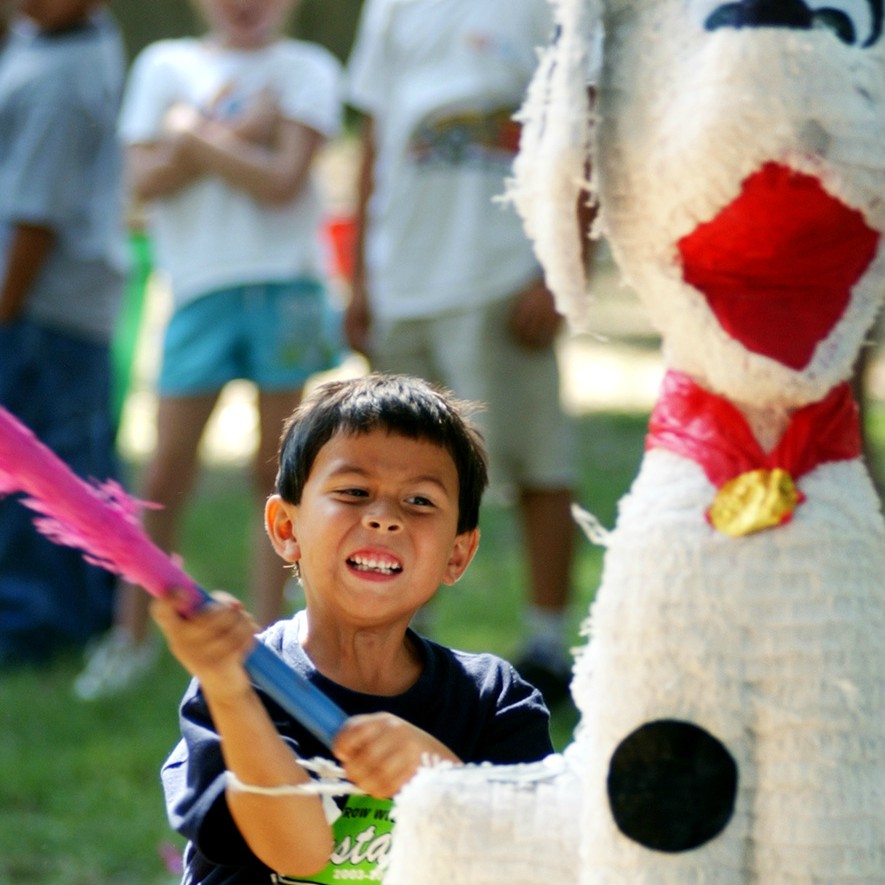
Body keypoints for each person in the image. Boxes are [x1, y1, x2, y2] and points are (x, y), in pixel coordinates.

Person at [153, 373, 554, 883]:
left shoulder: (495, 701)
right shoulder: (236, 683)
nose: (384, 518)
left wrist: (442, 778)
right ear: (285, 528)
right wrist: (231, 694)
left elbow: (533, 858)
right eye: (354, 491)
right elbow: (296, 852)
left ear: (458, 553)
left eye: (420, 501)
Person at [75, 0, 344, 699]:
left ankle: (272, 645)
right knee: (163, 474)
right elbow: (140, 180)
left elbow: (282, 182)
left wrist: (192, 135)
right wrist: (245, 131)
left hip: (285, 289)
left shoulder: (307, 69)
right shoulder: (165, 64)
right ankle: (130, 634)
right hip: (198, 291)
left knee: (277, 473)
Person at [345, 0, 582, 703]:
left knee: (534, 459)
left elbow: (579, 128)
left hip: (498, 278)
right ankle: (402, 641)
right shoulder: (389, 9)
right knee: (397, 476)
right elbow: (373, 138)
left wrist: (558, 269)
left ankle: (545, 642)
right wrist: (359, 276)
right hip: (404, 280)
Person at [0, 0, 127, 666]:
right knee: (79, 458)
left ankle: (34, 624)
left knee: (35, 473)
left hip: (42, 310)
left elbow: (35, 219)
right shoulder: (57, 37)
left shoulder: (61, 80)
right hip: (48, 310)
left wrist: (5, 306)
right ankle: (93, 601)